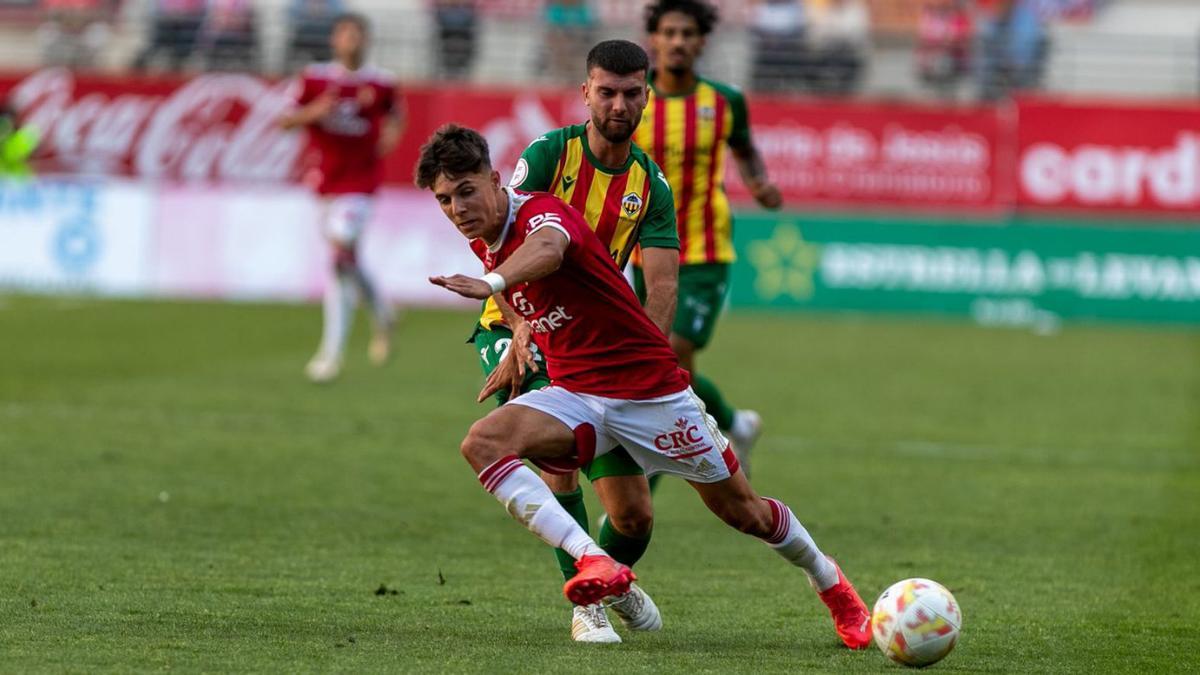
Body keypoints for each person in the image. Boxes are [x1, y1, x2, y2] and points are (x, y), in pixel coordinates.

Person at [418, 123, 872, 651]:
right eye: (445, 200)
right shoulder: (482, 236)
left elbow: (549, 249)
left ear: (496, 180)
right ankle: (592, 561)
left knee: (743, 512)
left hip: (649, 393)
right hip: (576, 394)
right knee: (482, 443)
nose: (457, 208)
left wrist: (493, 284)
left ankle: (830, 581)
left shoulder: (541, 213)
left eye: (467, 191)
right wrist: (520, 331)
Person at [477, 39, 679, 643]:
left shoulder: (651, 185)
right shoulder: (545, 156)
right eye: (607, 91)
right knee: (559, 462)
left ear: (647, 96)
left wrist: (645, 371)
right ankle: (587, 605)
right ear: (586, 92)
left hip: (596, 350)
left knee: (636, 516)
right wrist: (517, 328)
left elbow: (662, 287)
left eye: (631, 93)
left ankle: (611, 575)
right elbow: (500, 241)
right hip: (517, 331)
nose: (619, 104)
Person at [635, 0, 782, 475]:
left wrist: (758, 182)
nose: (678, 42)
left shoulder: (724, 101)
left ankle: (651, 472)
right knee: (665, 366)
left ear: (701, 42)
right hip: (646, 252)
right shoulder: (634, 98)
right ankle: (733, 423)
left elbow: (746, 150)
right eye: (669, 33)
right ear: (654, 39)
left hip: (704, 248)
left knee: (670, 352)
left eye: (687, 34)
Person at [278, 13, 402, 383]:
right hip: (324, 181)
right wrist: (315, 112)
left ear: (367, 41)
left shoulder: (381, 83)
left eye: (358, 35)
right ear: (335, 40)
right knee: (345, 259)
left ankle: (330, 354)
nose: (352, 41)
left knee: (338, 258)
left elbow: (397, 115)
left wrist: (390, 138)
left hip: (361, 182)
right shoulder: (314, 78)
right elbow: (284, 121)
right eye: (346, 34)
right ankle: (382, 311)